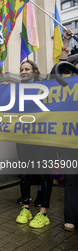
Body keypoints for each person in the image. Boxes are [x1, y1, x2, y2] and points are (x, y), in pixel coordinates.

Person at [15, 60, 58, 229]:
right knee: (25, 173)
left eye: (27, 69)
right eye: (21, 69)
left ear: (34, 71)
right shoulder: (16, 90)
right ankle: (25, 208)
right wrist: (2, 90)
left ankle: (43, 212)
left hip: (41, 138)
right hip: (23, 138)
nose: (24, 71)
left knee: (43, 174)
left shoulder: (45, 87)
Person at [50, 28, 78, 232]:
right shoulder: (67, 86)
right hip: (70, 141)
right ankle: (71, 218)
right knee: (71, 180)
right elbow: (59, 69)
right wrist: (66, 42)